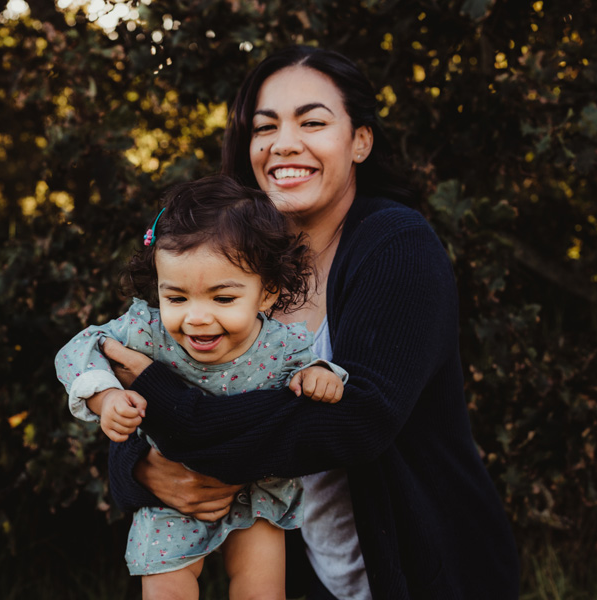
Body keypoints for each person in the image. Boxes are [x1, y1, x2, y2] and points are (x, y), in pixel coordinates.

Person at [103, 46, 520, 599]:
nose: (284, 143)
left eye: (313, 121)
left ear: (361, 141)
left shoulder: (398, 246)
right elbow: (140, 377)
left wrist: (183, 426)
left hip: (429, 575)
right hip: (312, 579)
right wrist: (139, 469)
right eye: (265, 126)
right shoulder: (235, 265)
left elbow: (358, 421)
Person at [54, 175, 350, 600]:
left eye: (222, 298)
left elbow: (316, 373)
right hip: (171, 486)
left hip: (255, 488)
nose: (196, 317)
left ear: (267, 293)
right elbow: (78, 349)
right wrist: (106, 397)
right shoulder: (147, 333)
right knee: (167, 586)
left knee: (262, 587)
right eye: (176, 298)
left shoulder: (282, 345)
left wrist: (319, 376)